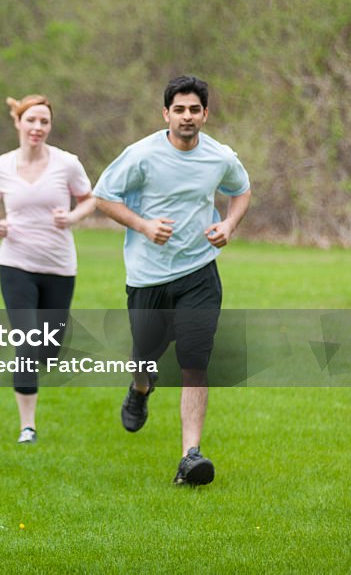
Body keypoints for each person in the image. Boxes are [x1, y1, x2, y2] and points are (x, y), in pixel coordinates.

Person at [93, 75, 251, 486]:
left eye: (194, 110)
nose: (187, 117)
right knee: (144, 355)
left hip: (199, 272)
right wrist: (143, 225)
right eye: (178, 109)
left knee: (195, 363)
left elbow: (242, 190)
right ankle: (140, 388)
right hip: (147, 277)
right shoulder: (141, 155)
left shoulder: (219, 157)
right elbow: (103, 197)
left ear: (205, 114)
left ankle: (190, 456)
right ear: (166, 114)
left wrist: (229, 224)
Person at [0, 94, 95, 444]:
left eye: (44, 122)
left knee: (48, 350)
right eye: (31, 120)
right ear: (18, 122)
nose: (38, 127)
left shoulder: (67, 164)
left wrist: (73, 217)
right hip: (16, 263)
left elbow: (89, 199)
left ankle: (30, 367)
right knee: (27, 342)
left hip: (60, 266)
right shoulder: (0, 166)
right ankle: (27, 426)